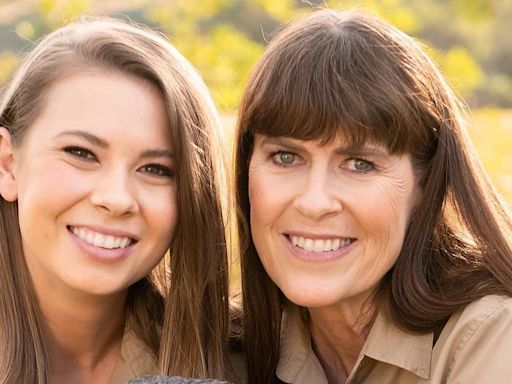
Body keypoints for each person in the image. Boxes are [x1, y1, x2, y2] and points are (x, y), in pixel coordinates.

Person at [233, 8, 512, 384]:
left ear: (424, 186)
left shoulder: (493, 339)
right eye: (286, 157)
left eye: (359, 164)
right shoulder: (233, 346)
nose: (314, 203)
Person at [0, 17, 230, 383]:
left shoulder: (241, 363)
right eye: (81, 153)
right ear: (8, 166)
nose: (117, 198)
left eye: (156, 169)